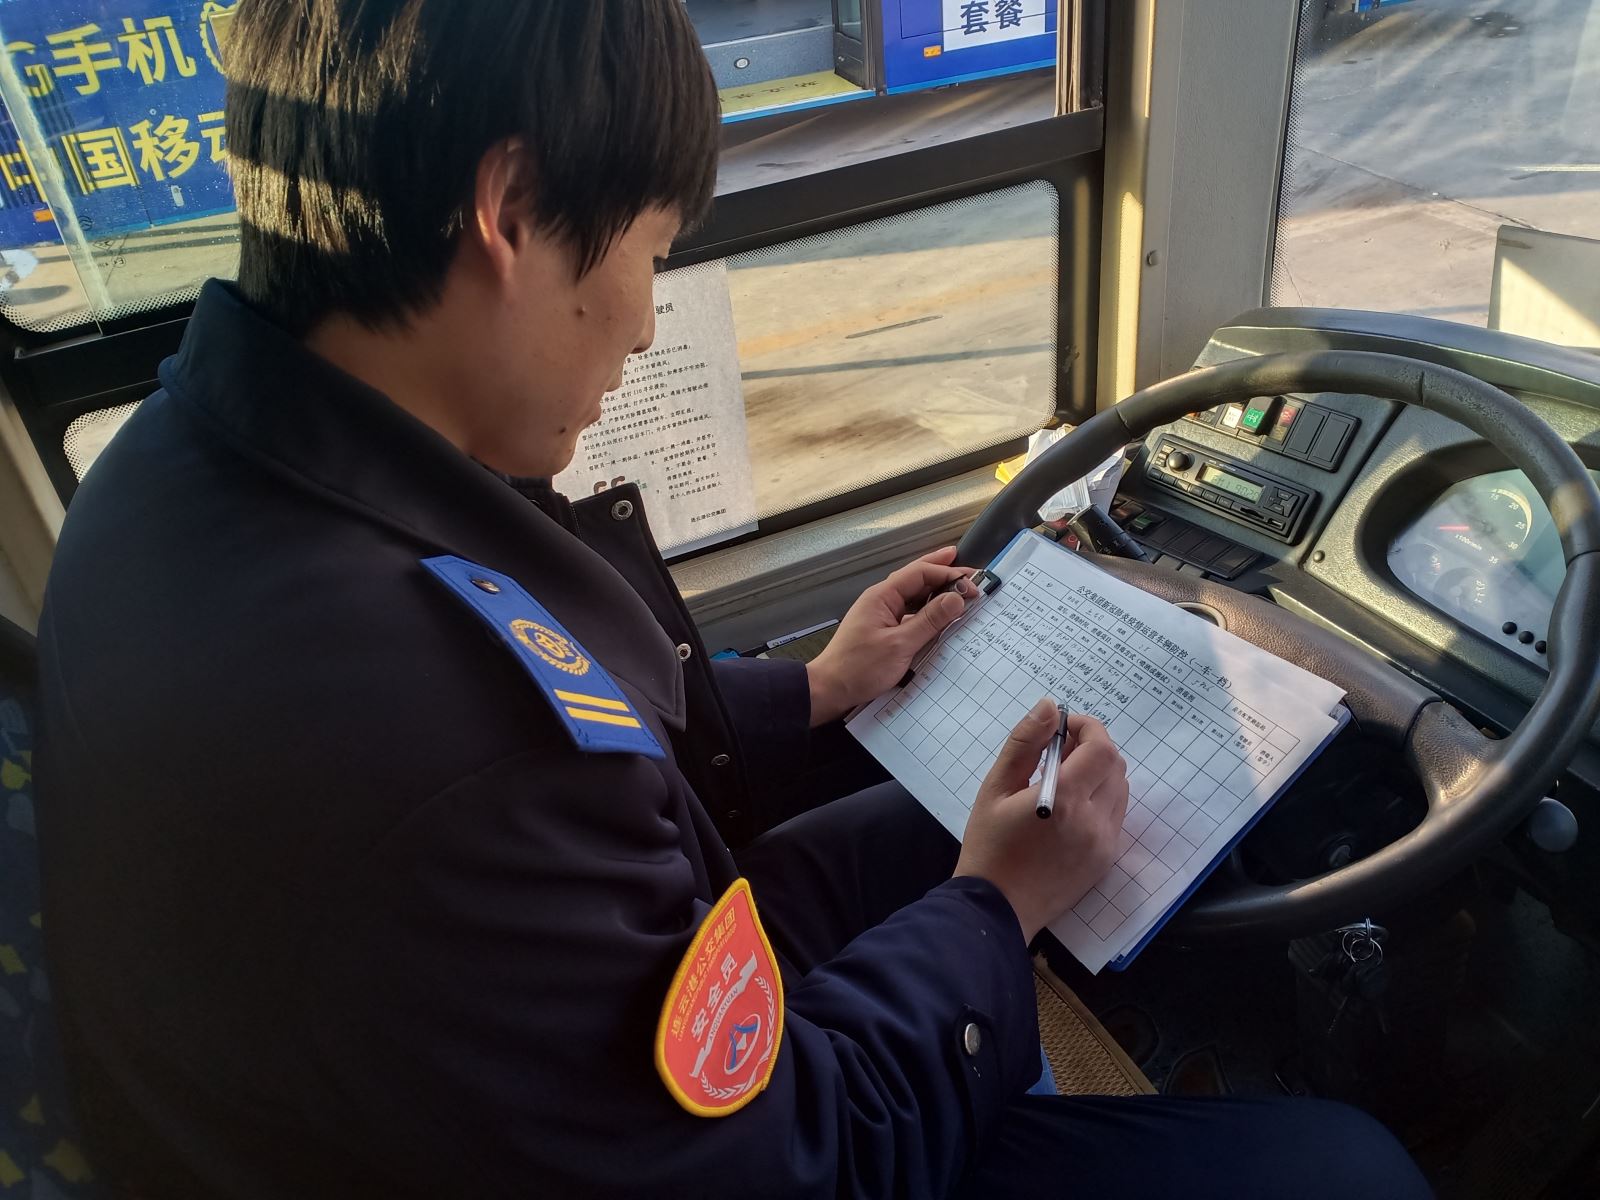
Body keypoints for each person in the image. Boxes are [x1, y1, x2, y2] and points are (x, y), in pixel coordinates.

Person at [33, 2, 1433, 1197]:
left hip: (493, 1076)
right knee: (1344, 1171)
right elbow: (786, 1161)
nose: (649, 322)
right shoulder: (430, 733)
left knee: (942, 808)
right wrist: (995, 911)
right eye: (649, 252)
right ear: (508, 215)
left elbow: (582, 756)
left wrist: (817, 691)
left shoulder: (182, 472)